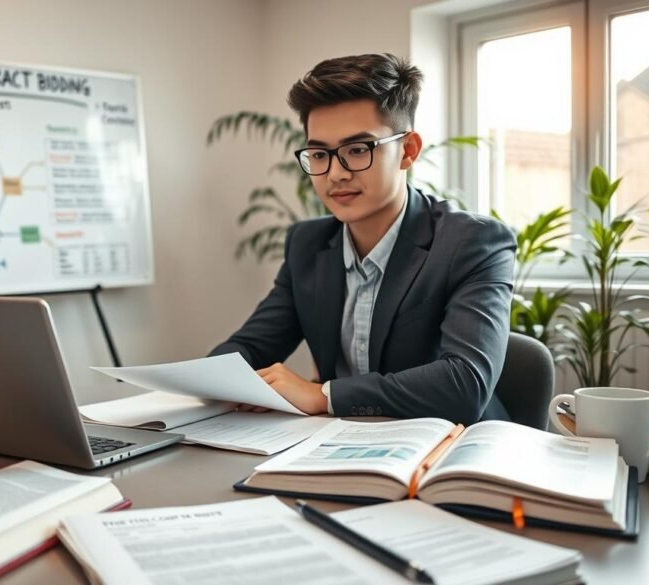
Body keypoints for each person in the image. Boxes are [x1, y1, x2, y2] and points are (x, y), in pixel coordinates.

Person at [210, 53, 516, 424]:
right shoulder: (308, 244)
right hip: (343, 446)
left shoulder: (472, 242)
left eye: (358, 150)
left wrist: (323, 395)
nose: (336, 174)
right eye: (320, 153)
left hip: (453, 449)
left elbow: (464, 385)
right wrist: (205, 380)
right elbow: (251, 347)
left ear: (408, 150)